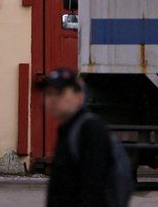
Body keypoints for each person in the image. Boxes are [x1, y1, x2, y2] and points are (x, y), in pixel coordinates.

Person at [38, 67, 115, 207]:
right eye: (48, 93)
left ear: (79, 96)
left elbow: (95, 188)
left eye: (60, 93)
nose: (52, 99)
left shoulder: (90, 130)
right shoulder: (67, 129)